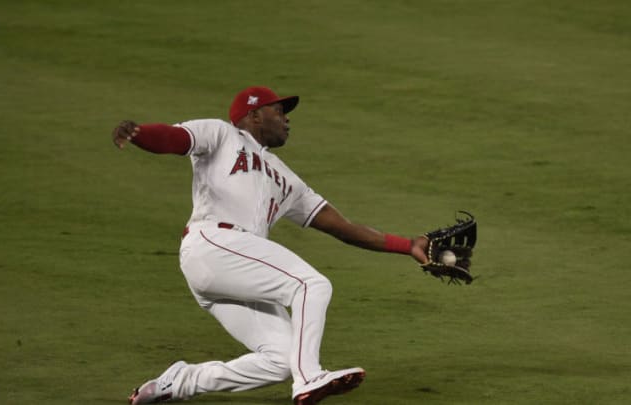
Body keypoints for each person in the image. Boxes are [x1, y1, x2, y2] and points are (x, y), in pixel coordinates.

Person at [112, 86, 430, 405]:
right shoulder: (223, 135)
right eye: (279, 111)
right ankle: (308, 378)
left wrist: (409, 245)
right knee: (311, 284)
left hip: (235, 268)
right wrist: (140, 135)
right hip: (213, 242)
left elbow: (344, 229)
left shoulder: (288, 180)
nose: (286, 120)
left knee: (280, 360)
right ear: (254, 115)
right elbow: (174, 139)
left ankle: (180, 382)